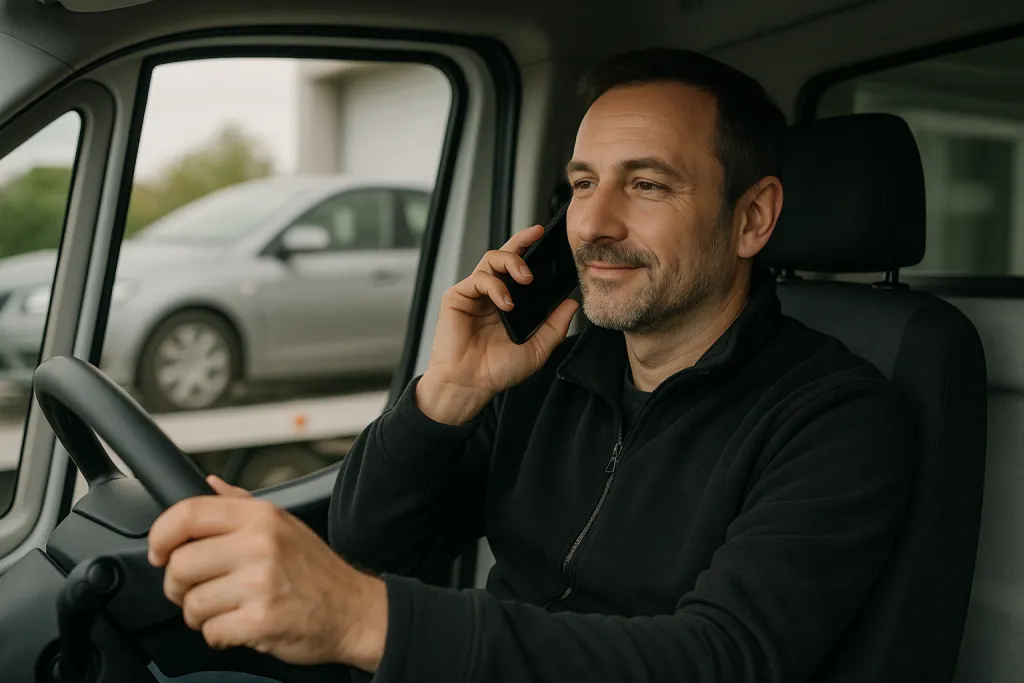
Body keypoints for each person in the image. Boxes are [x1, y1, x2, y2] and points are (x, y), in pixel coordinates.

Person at [147, 47, 915, 683]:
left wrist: (363, 616)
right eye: (583, 184)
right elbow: (370, 548)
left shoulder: (836, 417)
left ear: (751, 218)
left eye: (646, 184)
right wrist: (446, 396)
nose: (593, 223)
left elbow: (718, 660)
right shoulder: (550, 371)